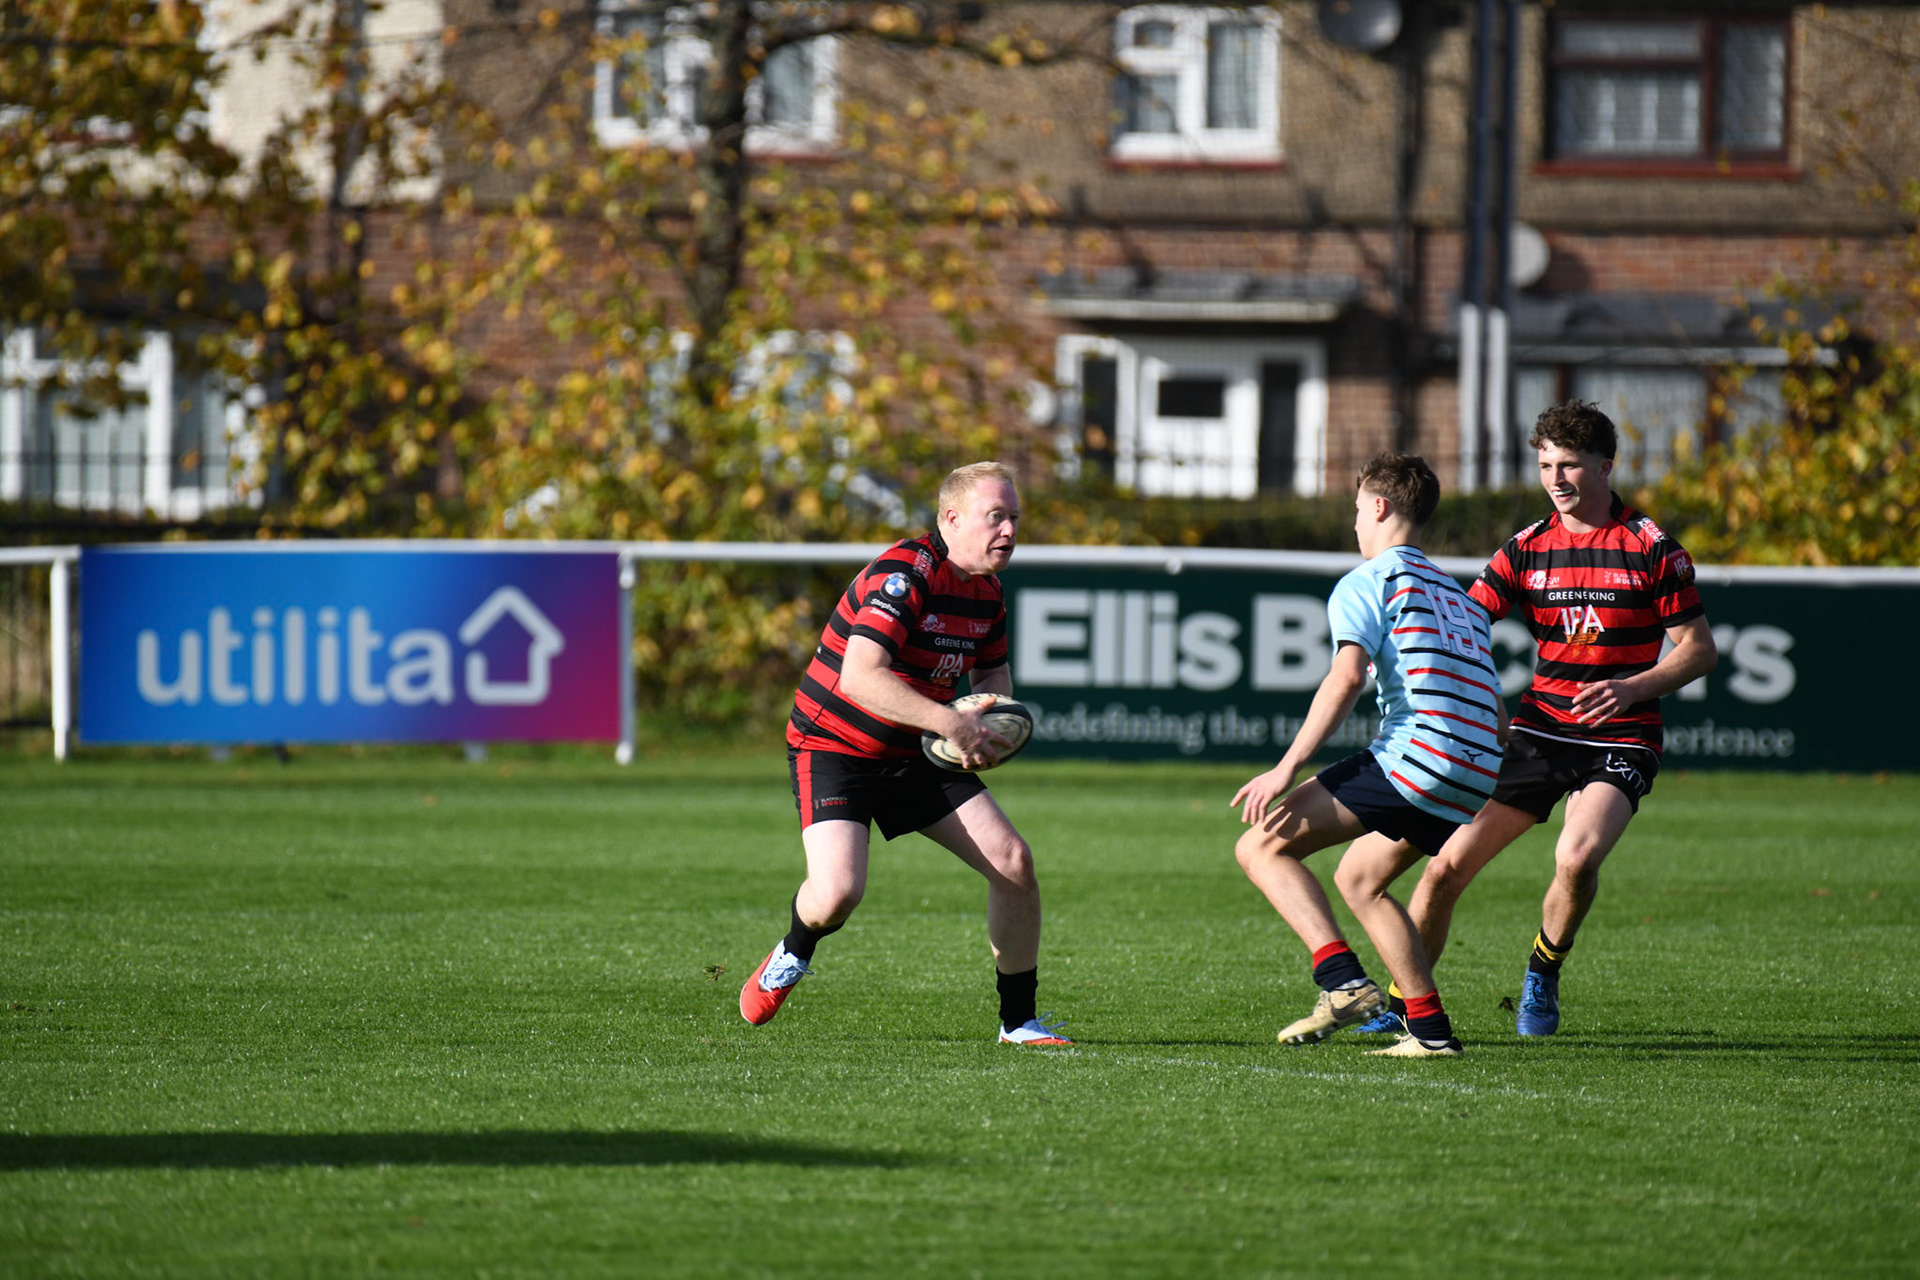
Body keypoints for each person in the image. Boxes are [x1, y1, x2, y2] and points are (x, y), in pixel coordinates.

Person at [1405, 400, 1717, 1036]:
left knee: (1575, 860)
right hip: (1540, 731)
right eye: (1546, 464)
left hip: (1621, 737)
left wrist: (1633, 689)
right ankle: (1404, 1005)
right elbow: (1464, 627)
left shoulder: (1651, 548)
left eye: (1570, 464)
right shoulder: (1526, 549)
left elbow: (1700, 650)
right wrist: (1462, 690)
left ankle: (1543, 971)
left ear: (1606, 467)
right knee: (1442, 870)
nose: (1556, 478)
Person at [740, 461, 1071, 1046]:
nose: (1010, 532)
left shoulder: (987, 592)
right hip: (835, 745)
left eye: (1014, 519)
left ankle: (1019, 1022)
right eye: (996, 517)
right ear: (951, 518)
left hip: (918, 751)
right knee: (836, 894)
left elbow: (992, 673)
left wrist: (989, 722)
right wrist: (951, 720)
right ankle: (794, 949)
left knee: (1014, 863)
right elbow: (860, 677)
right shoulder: (905, 572)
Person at [1231, 452, 1505, 1058]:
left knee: (1259, 847)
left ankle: (1344, 984)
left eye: (1357, 509)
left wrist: (1287, 767)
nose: (1355, 523)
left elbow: (1347, 677)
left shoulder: (1368, 579)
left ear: (1379, 506)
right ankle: (1431, 1033)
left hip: (1420, 758)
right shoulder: (1458, 596)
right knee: (1361, 880)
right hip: (1475, 772)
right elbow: (1492, 700)